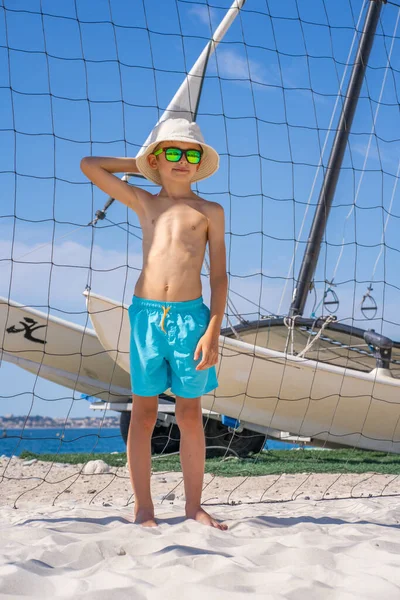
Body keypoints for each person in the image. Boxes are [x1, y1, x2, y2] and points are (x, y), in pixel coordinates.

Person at [80, 117, 228, 530]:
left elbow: (218, 276)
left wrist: (213, 328)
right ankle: (144, 508)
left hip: (192, 321)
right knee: (143, 414)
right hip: (146, 317)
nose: (183, 160)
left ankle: (194, 506)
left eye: (192, 153)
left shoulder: (210, 211)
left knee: (190, 413)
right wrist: (142, 161)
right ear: (158, 159)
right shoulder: (144, 201)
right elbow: (89, 165)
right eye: (174, 152)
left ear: (200, 163)